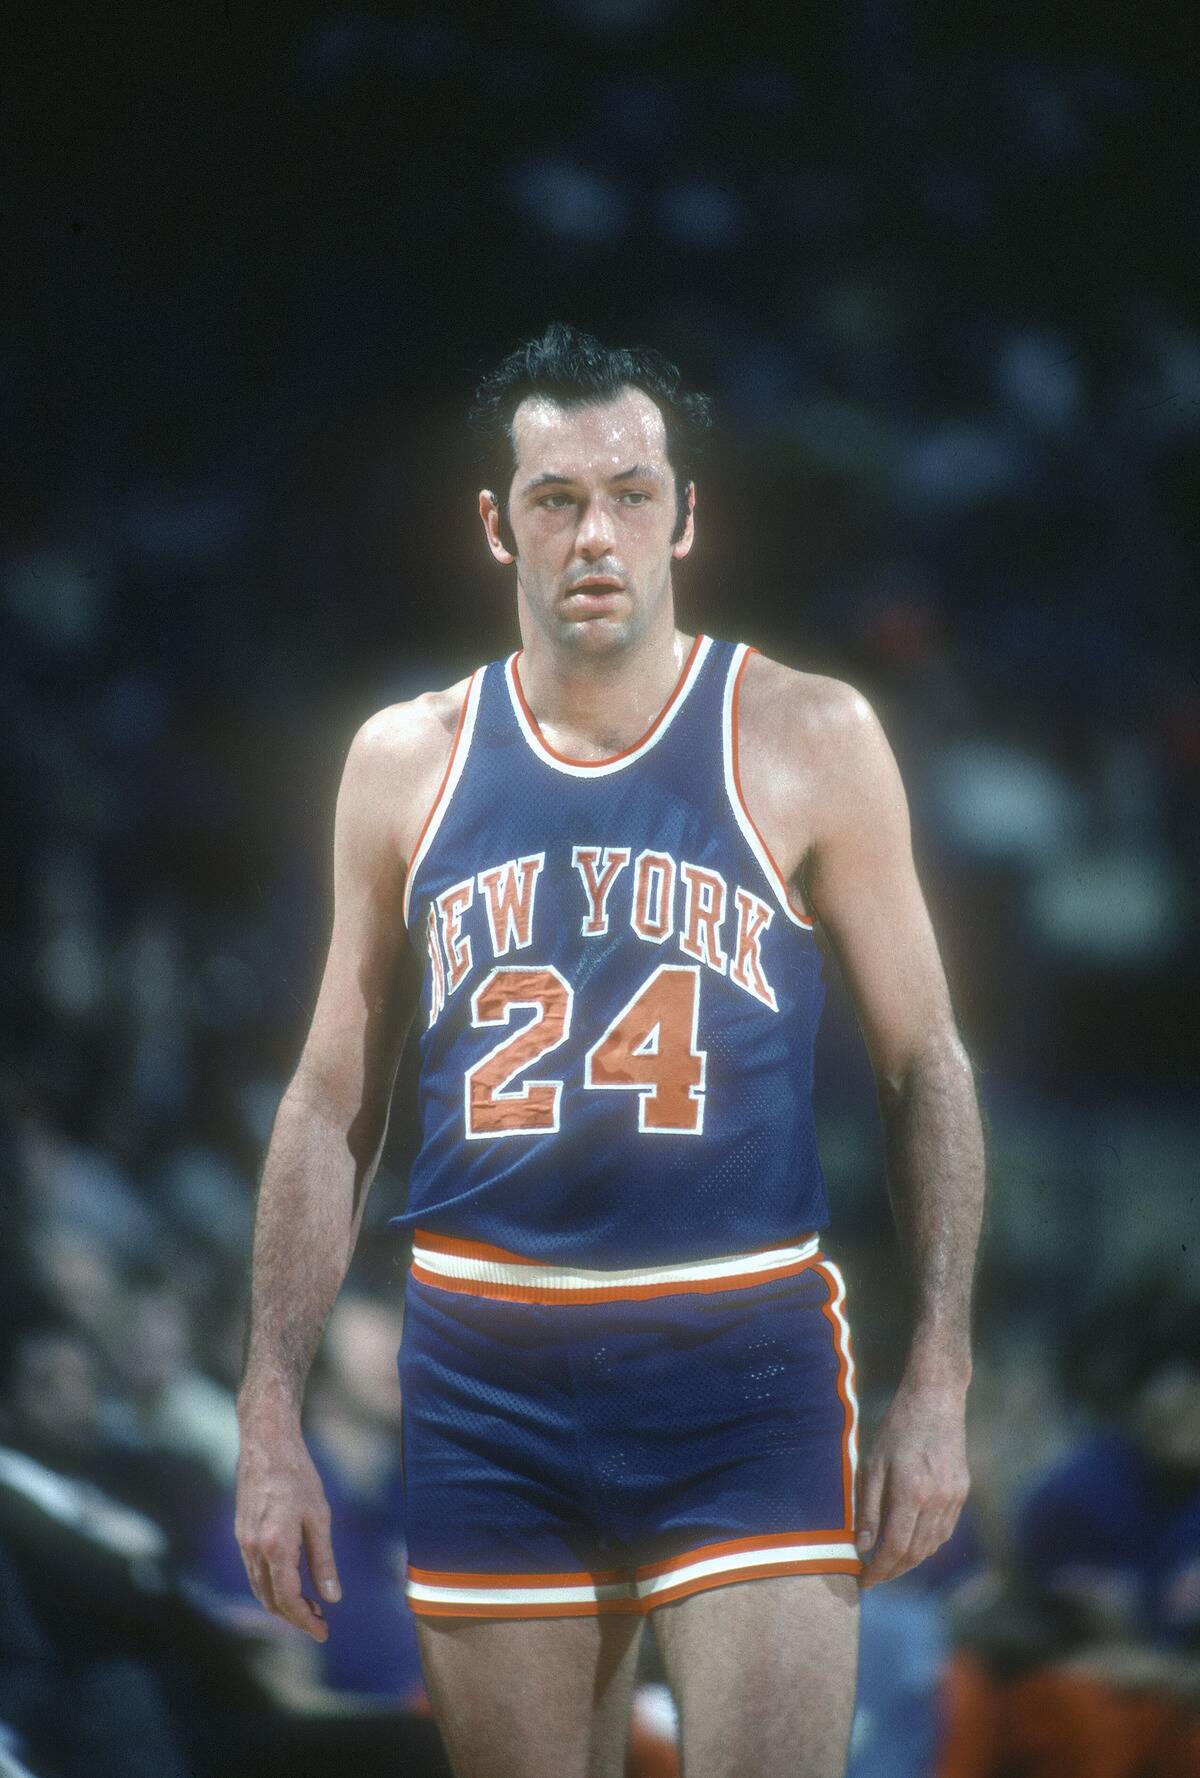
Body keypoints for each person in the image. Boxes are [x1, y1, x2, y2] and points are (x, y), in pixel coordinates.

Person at [235, 321, 985, 1778]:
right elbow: (330, 1103)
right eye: (557, 499)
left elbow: (929, 1068)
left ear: (685, 516)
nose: (597, 535)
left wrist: (941, 1380)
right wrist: (269, 1410)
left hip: (739, 1358)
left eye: (633, 495)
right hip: (486, 1372)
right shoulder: (405, 757)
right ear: (494, 525)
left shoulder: (810, 733)